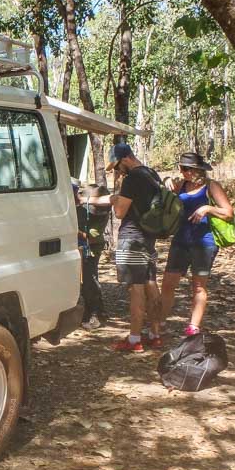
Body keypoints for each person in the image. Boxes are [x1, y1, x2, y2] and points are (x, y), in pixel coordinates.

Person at [86, 143, 163, 353]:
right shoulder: (151, 174)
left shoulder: (132, 179)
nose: (118, 171)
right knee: (150, 283)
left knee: (135, 288)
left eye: (118, 166)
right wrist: (92, 199)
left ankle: (134, 339)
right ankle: (155, 334)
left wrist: (115, 199)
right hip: (148, 237)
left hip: (132, 239)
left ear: (126, 159)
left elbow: (120, 212)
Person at [160, 152, 234, 336]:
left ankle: (193, 327)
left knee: (199, 286)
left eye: (186, 169)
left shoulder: (211, 186)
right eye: (181, 168)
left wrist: (208, 208)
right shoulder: (181, 185)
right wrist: (168, 181)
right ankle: (159, 322)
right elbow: (167, 197)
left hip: (204, 243)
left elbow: (228, 212)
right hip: (180, 240)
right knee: (168, 283)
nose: (183, 171)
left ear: (197, 170)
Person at [75, 182, 109, 326]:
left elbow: (92, 237)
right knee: (83, 281)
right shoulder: (81, 208)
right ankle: (89, 311)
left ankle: (97, 312)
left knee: (90, 279)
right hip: (79, 246)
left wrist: (73, 230)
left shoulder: (102, 213)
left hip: (92, 246)